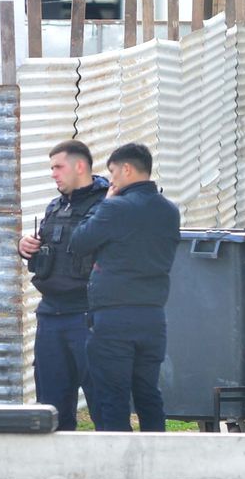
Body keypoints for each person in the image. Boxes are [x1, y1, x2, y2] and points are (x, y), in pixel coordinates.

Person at [68, 142, 180, 432]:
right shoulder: (169, 211)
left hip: (114, 317)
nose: (112, 180)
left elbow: (79, 242)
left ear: (127, 169)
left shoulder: (115, 207)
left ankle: (117, 468)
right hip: (153, 316)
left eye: (114, 172)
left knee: (112, 396)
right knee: (148, 394)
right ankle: (156, 459)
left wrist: (106, 202)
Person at [18, 140, 110, 430]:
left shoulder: (107, 205)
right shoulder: (55, 207)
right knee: (51, 407)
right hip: (51, 315)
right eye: (51, 168)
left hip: (87, 315)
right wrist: (26, 247)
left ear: (79, 166)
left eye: (58, 167)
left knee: (103, 401)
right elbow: (45, 255)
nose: (53, 174)